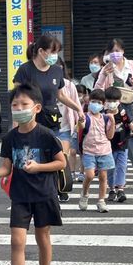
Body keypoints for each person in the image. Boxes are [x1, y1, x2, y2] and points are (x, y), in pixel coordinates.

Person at [0, 83, 66, 265]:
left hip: (44, 194)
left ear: (37, 108)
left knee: (43, 236)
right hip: (20, 195)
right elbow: (7, 168)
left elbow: (61, 163)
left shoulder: (46, 136)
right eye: (15, 105)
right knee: (17, 239)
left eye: (24, 104)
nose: (19, 108)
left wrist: (38, 167)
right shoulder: (10, 138)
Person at [13, 35, 85, 135]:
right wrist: (15, 128)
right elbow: (15, 99)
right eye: (53, 52)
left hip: (51, 120)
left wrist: (78, 109)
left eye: (56, 52)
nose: (55, 55)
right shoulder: (25, 69)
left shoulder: (57, 70)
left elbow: (61, 95)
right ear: (41, 51)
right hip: (30, 122)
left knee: (53, 149)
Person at [78, 89, 115, 213]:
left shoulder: (105, 118)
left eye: (99, 102)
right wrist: (80, 121)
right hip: (89, 150)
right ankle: (84, 194)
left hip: (104, 150)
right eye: (93, 101)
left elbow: (110, 136)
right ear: (89, 102)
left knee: (103, 177)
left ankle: (101, 201)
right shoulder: (86, 117)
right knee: (89, 175)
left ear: (103, 104)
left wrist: (113, 121)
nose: (96, 104)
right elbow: (81, 126)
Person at [105, 87, 133, 202]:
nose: (112, 104)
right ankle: (111, 189)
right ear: (105, 101)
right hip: (108, 146)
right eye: (109, 101)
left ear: (119, 101)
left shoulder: (123, 113)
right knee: (110, 168)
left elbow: (131, 125)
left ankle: (120, 189)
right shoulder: (104, 114)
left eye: (114, 101)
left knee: (121, 166)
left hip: (122, 144)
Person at [56, 57, 81, 201]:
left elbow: (76, 102)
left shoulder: (69, 85)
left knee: (61, 157)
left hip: (64, 127)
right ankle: (53, 188)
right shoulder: (42, 84)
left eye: (58, 66)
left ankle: (61, 188)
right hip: (46, 127)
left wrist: (80, 115)